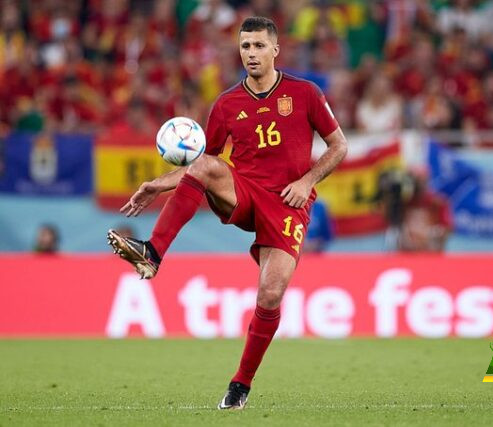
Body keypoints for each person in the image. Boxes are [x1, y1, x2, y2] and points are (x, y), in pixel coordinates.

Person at [106, 17, 347, 410]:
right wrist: (159, 182)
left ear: (275, 50)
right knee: (204, 165)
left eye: (258, 46)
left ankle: (240, 387)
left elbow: (338, 146)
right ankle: (152, 252)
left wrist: (306, 182)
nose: (250, 53)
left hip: (288, 202)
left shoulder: (304, 93)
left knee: (270, 295)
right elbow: (204, 165)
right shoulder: (226, 104)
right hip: (246, 194)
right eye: (245, 46)